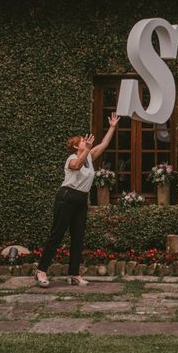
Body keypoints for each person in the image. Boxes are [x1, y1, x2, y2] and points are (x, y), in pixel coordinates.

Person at [35, 112, 120, 288]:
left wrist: (112, 127)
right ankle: (41, 270)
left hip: (81, 199)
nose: (85, 141)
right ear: (76, 147)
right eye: (82, 141)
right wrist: (87, 149)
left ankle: (74, 273)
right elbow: (77, 165)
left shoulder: (89, 156)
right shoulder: (72, 158)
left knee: (78, 237)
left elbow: (104, 144)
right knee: (57, 235)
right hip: (66, 197)